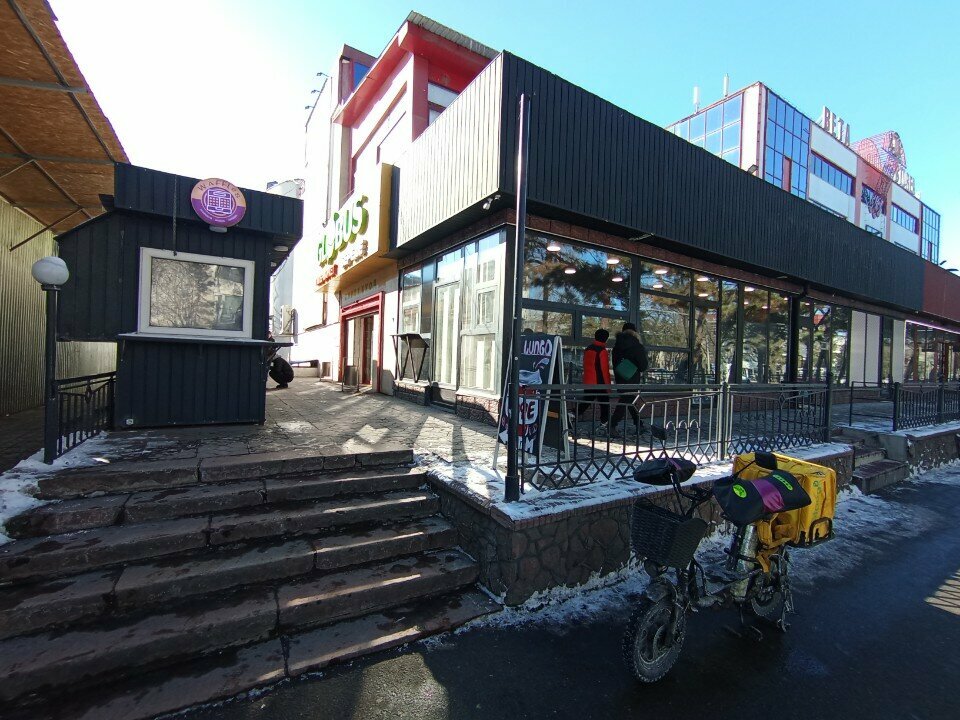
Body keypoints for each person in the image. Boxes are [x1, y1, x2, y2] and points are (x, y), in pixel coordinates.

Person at [604, 322, 648, 433]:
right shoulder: (637, 346)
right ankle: (612, 425)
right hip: (632, 379)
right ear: (635, 332)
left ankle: (639, 424)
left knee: (630, 400)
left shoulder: (616, 346)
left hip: (620, 377)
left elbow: (615, 363)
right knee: (625, 401)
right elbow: (643, 366)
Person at [575, 329, 611, 425]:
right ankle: (605, 423)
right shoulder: (602, 351)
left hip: (588, 381)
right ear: (606, 339)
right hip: (599, 382)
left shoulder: (588, 348)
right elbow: (604, 370)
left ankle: (573, 414)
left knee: (587, 401)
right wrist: (608, 386)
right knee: (605, 404)